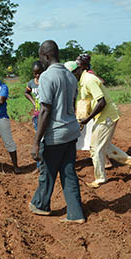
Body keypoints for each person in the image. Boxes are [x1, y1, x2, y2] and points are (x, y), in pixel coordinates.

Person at [30, 40, 85, 224]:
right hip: (70, 131)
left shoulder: (47, 77)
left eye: (41, 57)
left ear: (46, 56)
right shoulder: (70, 76)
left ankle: (41, 205)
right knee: (68, 171)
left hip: (56, 134)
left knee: (47, 172)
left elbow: (45, 110)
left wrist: (37, 141)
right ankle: (76, 214)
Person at [75, 54, 131, 188]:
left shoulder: (88, 80)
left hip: (107, 116)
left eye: (72, 72)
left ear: (79, 69)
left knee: (95, 148)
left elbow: (101, 102)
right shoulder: (83, 80)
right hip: (104, 115)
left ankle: (100, 178)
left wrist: (86, 120)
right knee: (105, 146)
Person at [24, 60, 44, 169]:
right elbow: (26, 92)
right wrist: (33, 102)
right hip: (37, 114)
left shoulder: (46, 81)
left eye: (40, 72)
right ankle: (40, 166)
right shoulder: (31, 83)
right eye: (36, 73)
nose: (38, 75)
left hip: (48, 114)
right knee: (39, 138)